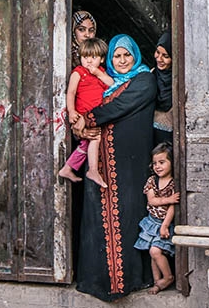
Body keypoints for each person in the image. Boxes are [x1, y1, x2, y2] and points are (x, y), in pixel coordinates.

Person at [74, 34, 160, 301]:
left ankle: (131, 280)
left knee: (128, 214)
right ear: (109, 60)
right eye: (116, 56)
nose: (122, 61)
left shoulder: (144, 80)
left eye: (127, 55)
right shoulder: (105, 83)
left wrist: (87, 118)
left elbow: (118, 106)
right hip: (100, 162)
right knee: (97, 220)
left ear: (135, 56)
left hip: (129, 164)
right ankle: (98, 280)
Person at [57, 37, 113, 188]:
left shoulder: (102, 73)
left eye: (93, 57)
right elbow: (71, 93)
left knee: (86, 143)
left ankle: (68, 168)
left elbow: (113, 86)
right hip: (83, 115)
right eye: (85, 57)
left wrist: (100, 74)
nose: (88, 61)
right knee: (94, 139)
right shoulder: (79, 72)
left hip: (96, 116)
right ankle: (93, 170)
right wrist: (71, 111)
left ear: (101, 59)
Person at [134, 142, 177, 295]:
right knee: (153, 254)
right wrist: (169, 199)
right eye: (155, 163)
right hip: (151, 222)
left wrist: (165, 226)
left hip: (163, 223)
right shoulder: (152, 181)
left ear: (172, 162)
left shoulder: (173, 183)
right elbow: (152, 200)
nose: (158, 166)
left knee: (155, 251)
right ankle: (157, 282)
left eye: (162, 162)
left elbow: (173, 208)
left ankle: (168, 277)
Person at [152, 32, 173, 146]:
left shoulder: (179, 82)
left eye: (165, 56)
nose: (159, 59)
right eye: (157, 52)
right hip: (151, 136)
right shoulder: (151, 75)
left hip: (171, 139)